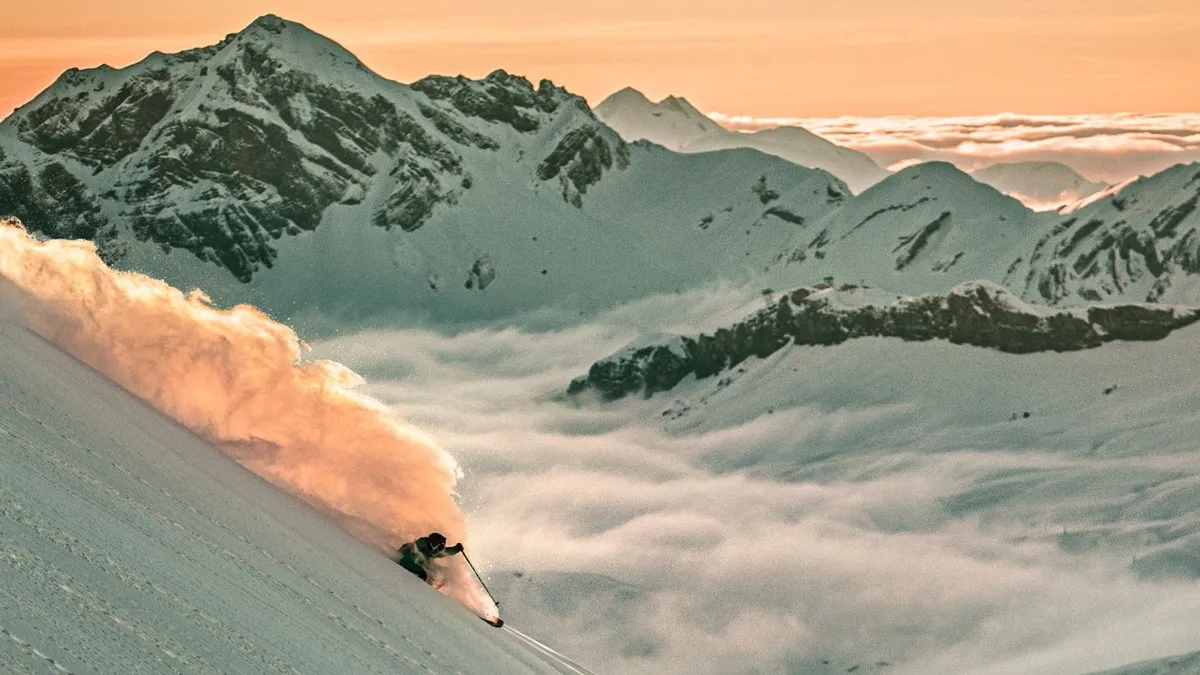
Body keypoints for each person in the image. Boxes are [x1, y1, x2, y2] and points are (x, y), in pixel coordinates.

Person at [396, 532, 464, 583]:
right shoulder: (416, 549)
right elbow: (405, 561)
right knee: (425, 561)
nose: (440, 549)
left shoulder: (433, 551)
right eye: (440, 547)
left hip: (421, 562)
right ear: (433, 545)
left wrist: (456, 548)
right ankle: (430, 579)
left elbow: (446, 551)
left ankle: (437, 580)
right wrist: (420, 572)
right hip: (408, 562)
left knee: (437, 568)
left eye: (442, 547)